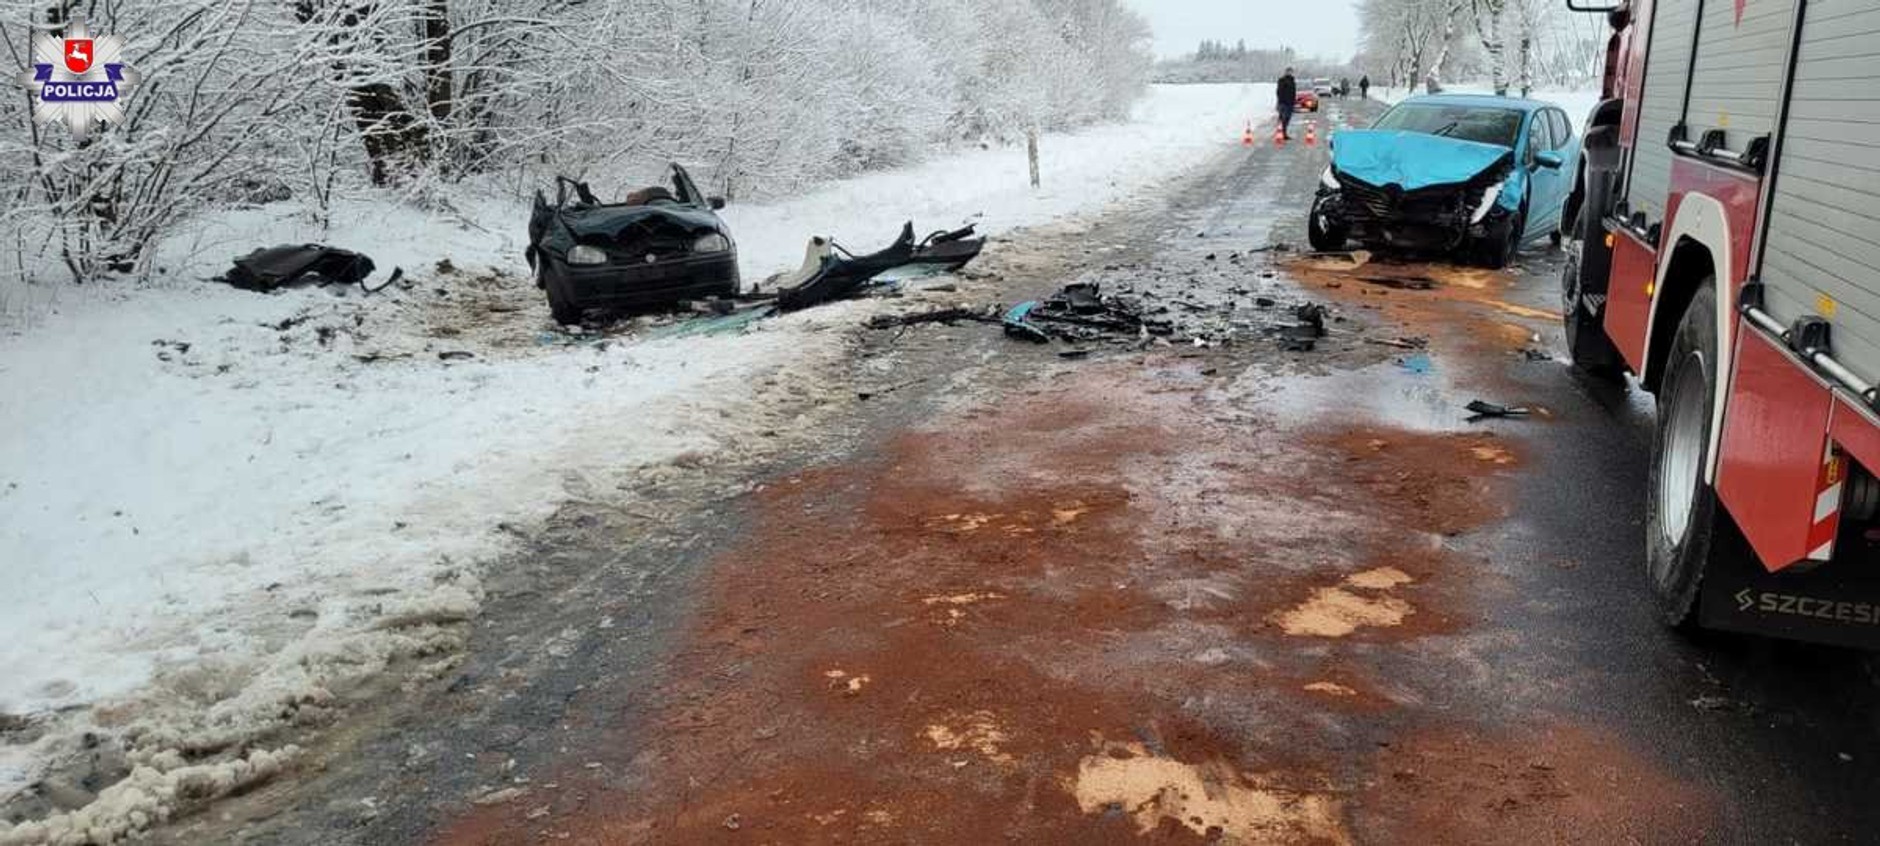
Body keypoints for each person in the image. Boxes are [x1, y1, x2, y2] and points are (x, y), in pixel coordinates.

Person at [1276, 67, 1297, 140]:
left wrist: (1294, 101)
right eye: (1288, 71)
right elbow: (1279, 92)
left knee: (1287, 119)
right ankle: (1282, 134)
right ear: (1285, 72)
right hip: (1283, 103)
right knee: (1283, 119)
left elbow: (1293, 93)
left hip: (1290, 103)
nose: (1290, 73)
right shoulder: (1282, 80)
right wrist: (1281, 101)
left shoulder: (1292, 81)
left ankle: (1283, 133)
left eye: (1291, 72)